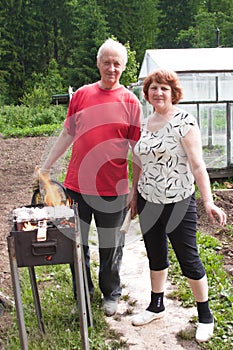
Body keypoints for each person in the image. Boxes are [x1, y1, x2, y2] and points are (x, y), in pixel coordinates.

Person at [37, 38, 141, 316]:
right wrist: (46, 165)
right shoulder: (82, 95)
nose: (111, 68)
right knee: (76, 246)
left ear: (123, 67)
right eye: (106, 62)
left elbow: (137, 149)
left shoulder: (130, 101)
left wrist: (137, 188)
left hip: (113, 188)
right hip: (77, 188)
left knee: (111, 246)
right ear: (98, 64)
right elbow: (68, 133)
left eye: (117, 63)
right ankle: (82, 295)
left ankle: (111, 293)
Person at [131, 69, 227, 342]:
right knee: (155, 254)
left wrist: (208, 201)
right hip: (149, 200)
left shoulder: (184, 121)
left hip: (178, 201)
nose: (158, 92)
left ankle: (205, 315)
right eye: (153, 88)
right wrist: (134, 194)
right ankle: (156, 305)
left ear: (173, 93)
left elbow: (198, 165)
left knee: (189, 258)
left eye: (164, 88)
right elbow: (138, 161)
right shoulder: (145, 123)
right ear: (147, 93)